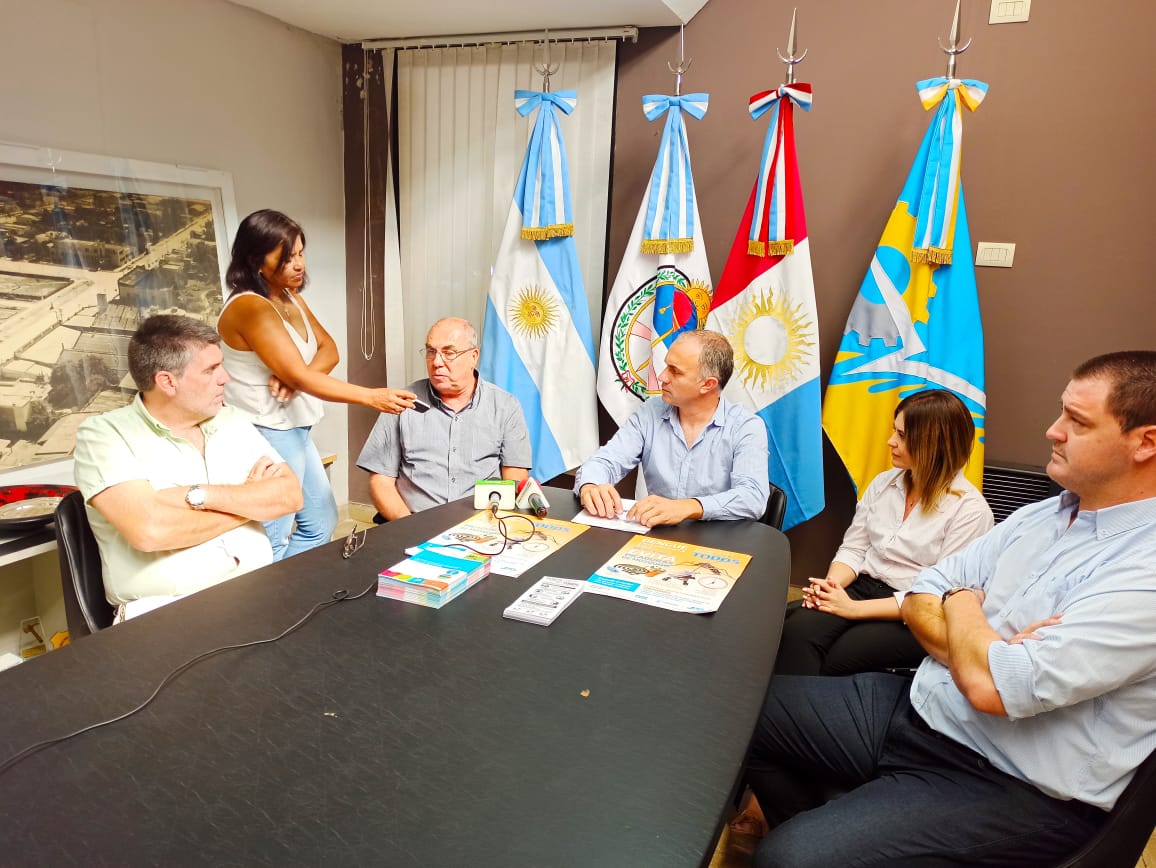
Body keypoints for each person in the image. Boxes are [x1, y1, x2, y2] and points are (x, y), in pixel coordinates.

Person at [743, 351, 1156, 867]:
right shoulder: (1043, 515)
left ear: (1146, 442)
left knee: (788, 860)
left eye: (1077, 421)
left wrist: (959, 603)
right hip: (920, 709)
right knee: (735, 712)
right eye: (1060, 412)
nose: (1053, 431)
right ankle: (829, 832)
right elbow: (927, 591)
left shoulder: (1144, 571)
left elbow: (993, 686)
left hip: (1008, 780)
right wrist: (978, 630)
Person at [73, 315, 303, 621]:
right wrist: (249, 501)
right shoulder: (104, 436)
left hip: (257, 593)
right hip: (169, 613)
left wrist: (199, 496)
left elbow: (289, 496)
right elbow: (151, 531)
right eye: (211, 370)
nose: (226, 378)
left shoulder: (229, 419)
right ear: (167, 381)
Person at [217, 209, 416, 560]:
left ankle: (288, 590)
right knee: (273, 535)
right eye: (286, 257)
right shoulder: (250, 307)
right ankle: (271, 605)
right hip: (266, 430)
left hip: (295, 427)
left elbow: (330, 350)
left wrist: (295, 377)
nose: (298, 265)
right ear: (255, 260)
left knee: (321, 520)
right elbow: (302, 373)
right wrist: (370, 396)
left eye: (300, 253)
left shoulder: (289, 297)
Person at [775, 389, 993, 676]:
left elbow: (939, 596)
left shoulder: (971, 511)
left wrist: (852, 610)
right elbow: (854, 549)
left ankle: (792, 714)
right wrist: (831, 589)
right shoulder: (883, 484)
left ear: (934, 444)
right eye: (895, 431)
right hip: (860, 587)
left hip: (914, 610)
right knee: (792, 630)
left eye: (902, 436)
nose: (890, 442)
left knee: (838, 657)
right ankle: (783, 714)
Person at [574, 329, 769, 527]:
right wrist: (591, 484)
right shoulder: (651, 412)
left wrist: (689, 507)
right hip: (657, 540)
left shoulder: (746, 427)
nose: (662, 376)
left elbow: (753, 497)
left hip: (717, 545)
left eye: (675, 371)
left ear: (707, 384)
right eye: (667, 366)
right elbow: (606, 460)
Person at [357, 317, 531, 520]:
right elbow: (380, 481)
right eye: (431, 352)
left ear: (473, 356)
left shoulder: (505, 406)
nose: (437, 362)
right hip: (413, 521)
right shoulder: (400, 403)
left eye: (449, 353)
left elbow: (515, 478)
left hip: (481, 525)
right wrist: (409, 528)